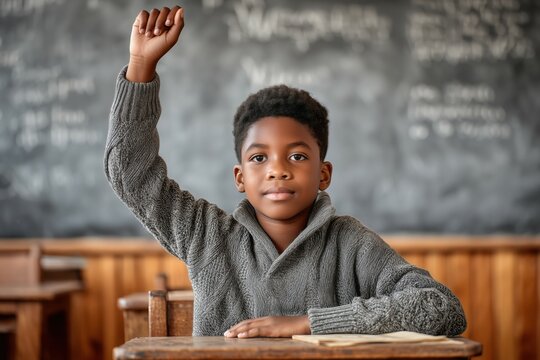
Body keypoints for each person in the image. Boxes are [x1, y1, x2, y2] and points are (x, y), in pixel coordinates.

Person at [104, 6, 467, 338]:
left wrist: (311, 323)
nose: (277, 170)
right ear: (240, 177)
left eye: (296, 157)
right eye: (259, 159)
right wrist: (140, 67)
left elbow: (441, 308)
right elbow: (129, 174)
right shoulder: (208, 236)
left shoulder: (350, 243)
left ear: (323, 174)